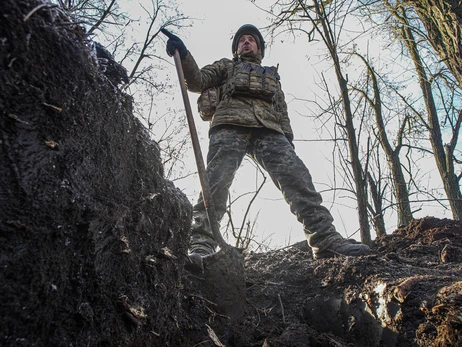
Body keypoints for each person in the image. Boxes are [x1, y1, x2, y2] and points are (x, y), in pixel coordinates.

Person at [164, 24, 370, 264]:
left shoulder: (271, 76)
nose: (246, 42)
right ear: (236, 47)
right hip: (230, 123)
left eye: (251, 39)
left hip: (269, 129)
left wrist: (288, 142)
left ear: (259, 47)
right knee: (215, 182)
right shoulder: (226, 66)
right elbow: (197, 81)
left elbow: (281, 110)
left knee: (297, 177)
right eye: (242, 40)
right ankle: (201, 244)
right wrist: (184, 54)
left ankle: (324, 240)